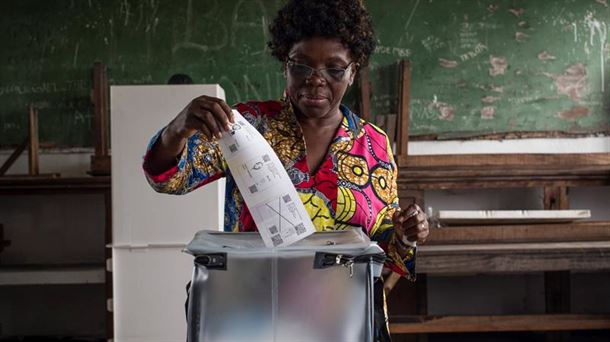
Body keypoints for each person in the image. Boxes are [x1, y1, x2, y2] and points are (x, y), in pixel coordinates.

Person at [143, 0, 429, 340]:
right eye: (301, 66)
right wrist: (178, 128)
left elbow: (387, 246)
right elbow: (168, 178)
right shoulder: (246, 125)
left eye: (334, 69)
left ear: (354, 71)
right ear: (285, 64)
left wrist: (408, 233)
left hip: (344, 321)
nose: (316, 81)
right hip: (251, 315)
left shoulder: (372, 144)